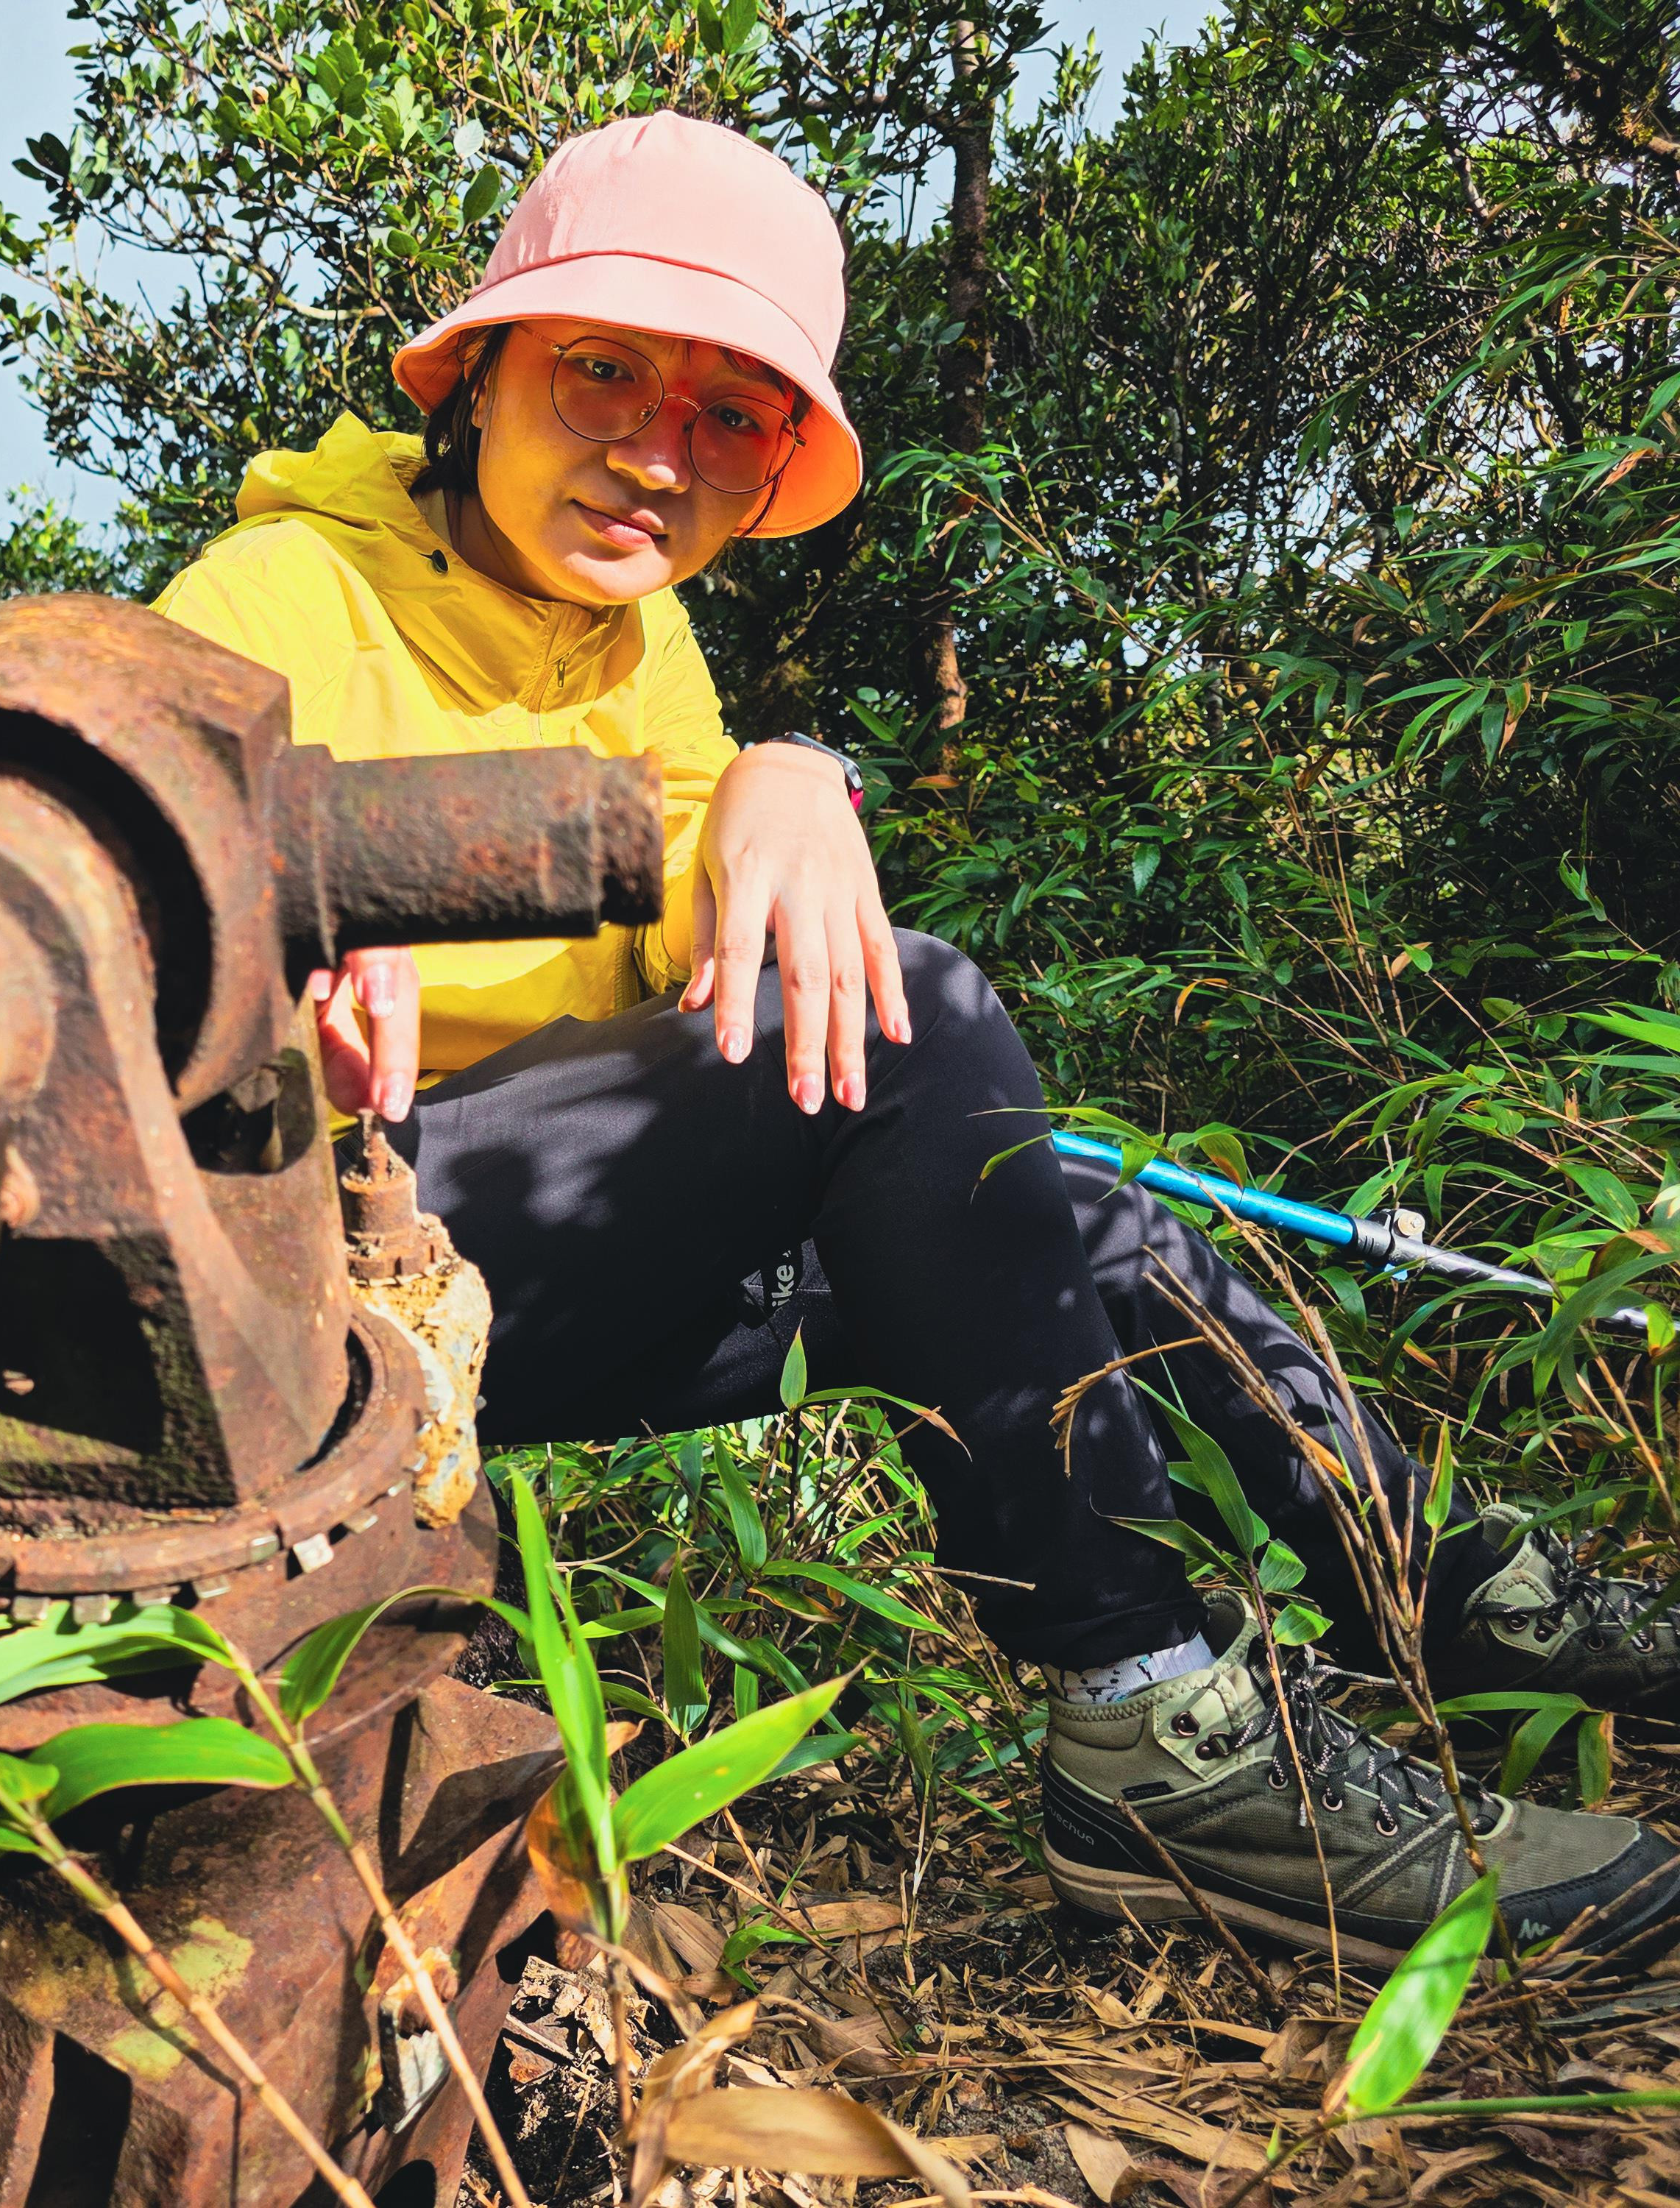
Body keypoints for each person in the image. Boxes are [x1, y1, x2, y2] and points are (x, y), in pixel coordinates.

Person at [154, 112, 1679, 1965]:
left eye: (733, 414)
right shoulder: (270, 597)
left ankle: (1444, 1596)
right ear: (475, 375)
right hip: (302, 1276)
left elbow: (725, 914)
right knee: (920, 1018)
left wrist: (800, 771)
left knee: (1073, 1215)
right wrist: (271, 919)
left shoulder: (643, 651)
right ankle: (1138, 1706)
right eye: (598, 371)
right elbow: (152, 853)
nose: (655, 450)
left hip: (531, 1276)